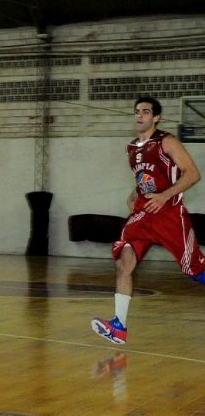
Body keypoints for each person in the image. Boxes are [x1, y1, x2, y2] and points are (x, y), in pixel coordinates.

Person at [91, 96, 205, 345]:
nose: (139, 115)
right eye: (136, 112)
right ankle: (118, 326)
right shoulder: (132, 148)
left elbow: (193, 174)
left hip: (169, 214)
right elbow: (144, 178)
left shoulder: (167, 141)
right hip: (143, 214)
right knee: (123, 264)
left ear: (156, 117)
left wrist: (165, 196)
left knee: (194, 270)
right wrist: (134, 194)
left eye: (145, 112)